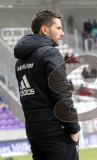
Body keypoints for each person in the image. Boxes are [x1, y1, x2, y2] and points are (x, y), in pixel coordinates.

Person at [14, 10, 80, 160]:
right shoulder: (50, 53)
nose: (62, 33)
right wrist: (74, 129)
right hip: (56, 132)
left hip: (34, 132)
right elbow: (61, 93)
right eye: (58, 28)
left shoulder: (21, 60)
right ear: (44, 30)